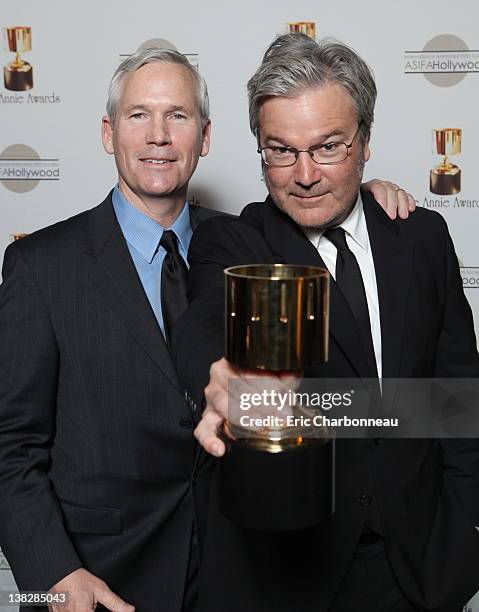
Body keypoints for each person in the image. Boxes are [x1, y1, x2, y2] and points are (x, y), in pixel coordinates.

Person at [0, 46, 413, 612]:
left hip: (240, 572)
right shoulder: (42, 266)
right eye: (138, 115)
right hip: (105, 577)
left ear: (206, 137)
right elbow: (11, 444)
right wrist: (52, 571)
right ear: (107, 132)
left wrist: (365, 194)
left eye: (178, 116)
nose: (158, 136)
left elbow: (322, 217)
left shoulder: (248, 241)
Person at [173, 34, 479, 612]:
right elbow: (206, 318)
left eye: (329, 147)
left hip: (419, 571)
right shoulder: (235, 241)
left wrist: (463, 541)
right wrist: (222, 375)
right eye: (281, 150)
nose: (305, 174)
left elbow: (457, 397)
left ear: (365, 143)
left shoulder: (421, 238)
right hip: (288, 576)